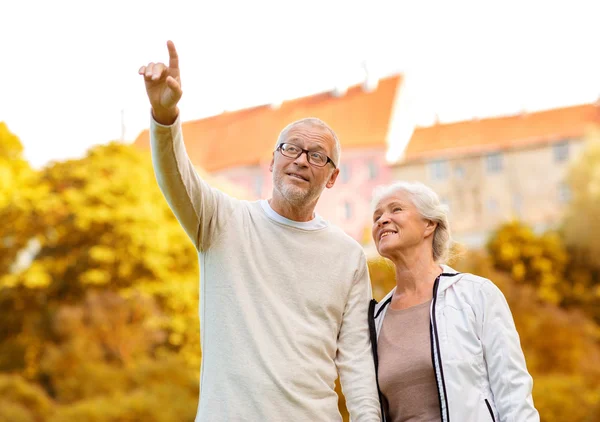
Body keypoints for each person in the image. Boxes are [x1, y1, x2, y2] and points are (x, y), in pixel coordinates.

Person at [138, 40, 381, 421]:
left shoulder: (347, 255)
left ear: (332, 177)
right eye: (291, 149)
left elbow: (356, 359)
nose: (301, 160)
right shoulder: (221, 222)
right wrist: (165, 115)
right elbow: (176, 178)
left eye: (317, 155)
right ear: (272, 161)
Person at [368, 181, 539, 422]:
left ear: (429, 224)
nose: (382, 220)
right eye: (377, 215)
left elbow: (513, 392)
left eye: (395, 210)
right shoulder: (375, 319)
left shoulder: (476, 294)